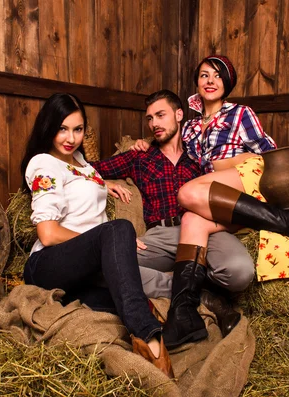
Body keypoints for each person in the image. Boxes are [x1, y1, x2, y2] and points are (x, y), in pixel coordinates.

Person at [133, 55, 289, 348]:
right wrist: (141, 144)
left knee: (186, 195)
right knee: (190, 216)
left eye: (217, 75)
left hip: (244, 179)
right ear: (197, 83)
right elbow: (167, 142)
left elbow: (269, 152)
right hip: (213, 194)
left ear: (227, 83)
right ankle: (184, 313)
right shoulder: (187, 127)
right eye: (204, 75)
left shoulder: (240, 114)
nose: (210, 81)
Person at [19, 93, 174, 377]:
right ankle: (149, 338)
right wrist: (110, 239)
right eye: (62, 128)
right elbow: (48, 233)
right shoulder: (44, 163)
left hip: (84, 264)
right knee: (121, 231)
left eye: (78, 129)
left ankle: (142, 313)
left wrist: (107, 184)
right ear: (48, 126)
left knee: (126, 291)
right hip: (48, 263)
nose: (71, 138)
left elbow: (87, 187)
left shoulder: (80, 161)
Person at [91, 90, 248, 341]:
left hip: (203, 227)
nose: (154, 123)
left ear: (178, 115)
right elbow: (86, 170)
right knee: (102, 268)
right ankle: (202, 295)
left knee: (239, 273)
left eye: (160, 115)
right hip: (161, 235)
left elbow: (252, 167)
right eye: (150, 118)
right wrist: (102, 183)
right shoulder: (140, 156)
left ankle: (185, 283)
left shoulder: (200, 153)